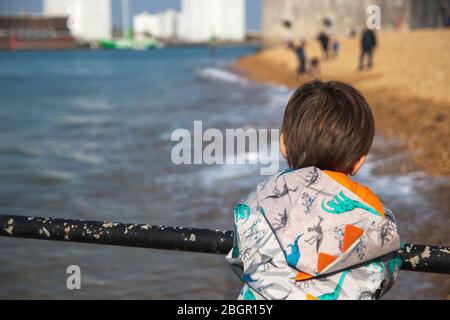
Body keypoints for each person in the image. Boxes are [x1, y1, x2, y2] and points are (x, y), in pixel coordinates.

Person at [227, 81, 402, 300]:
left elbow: (241, 261)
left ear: (283, 144)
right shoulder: (376, 213)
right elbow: (386, 274)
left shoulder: (256, 201)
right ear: (359, 161)